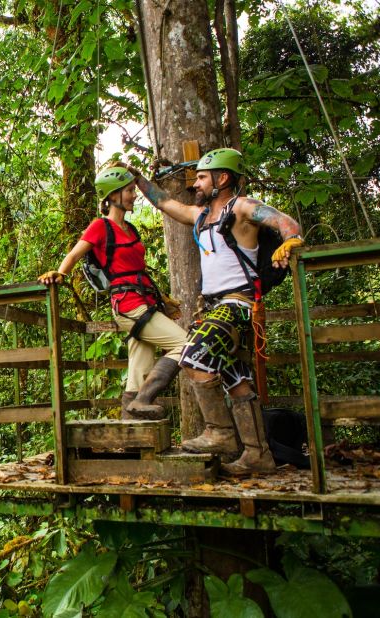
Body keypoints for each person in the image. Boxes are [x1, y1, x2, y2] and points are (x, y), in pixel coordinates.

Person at [126, 148, 304, 476]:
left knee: (193, 358)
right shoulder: (202, 216)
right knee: (237, 381)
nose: (196, 184)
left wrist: (289, 240)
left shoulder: (242, 208)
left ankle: (220, 432)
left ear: (222, 179)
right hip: (214, 308)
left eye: (203, 178)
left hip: (236, 304)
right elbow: (165, 203)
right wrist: (138, 179)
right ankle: (258, 455)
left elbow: (286, 222)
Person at [39, 166, 189, 419]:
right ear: (113, 196)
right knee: (186, 345)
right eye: (130, 191)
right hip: (128, 304)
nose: (134, 195)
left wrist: (161, 300)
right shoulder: (100, 227)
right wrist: (60, 274)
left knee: (140, 364)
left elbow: (138, 271)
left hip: (146, 300)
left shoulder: (131, 229)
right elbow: (75, 254)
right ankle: (142, 401)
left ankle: (131, 422)